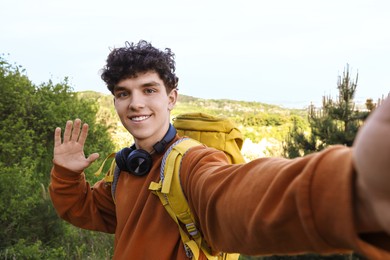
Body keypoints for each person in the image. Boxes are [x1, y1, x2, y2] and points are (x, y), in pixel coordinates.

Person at [49, 40, 390, 260]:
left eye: (149, 90)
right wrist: (66, 175)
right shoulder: (128, 167)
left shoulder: (191, 162)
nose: (136, 104)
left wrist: (355, 191)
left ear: (171, 98)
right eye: (124, 93)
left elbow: (233, 199)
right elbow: (88, 212)